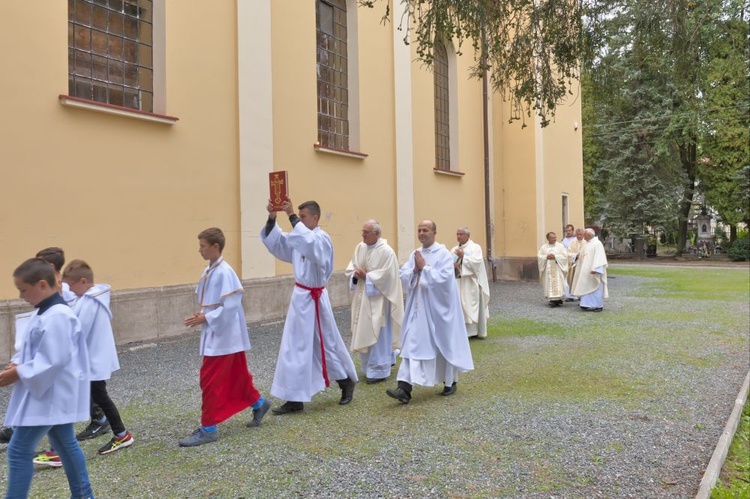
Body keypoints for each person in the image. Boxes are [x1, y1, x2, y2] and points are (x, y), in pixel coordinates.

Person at [0, 258, 93, 498]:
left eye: (23, 289)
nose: (21, 295)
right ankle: (84, 495)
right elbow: (40, 350)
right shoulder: (48, 312)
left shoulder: (58, 316)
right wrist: (19, 362)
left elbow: (54, 359)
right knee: (64, 443)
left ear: (42, 285)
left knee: (18, 450)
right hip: (49, 393)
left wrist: (17, 373)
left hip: (50, 393)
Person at [261, 199, 357, 414]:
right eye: (300, 217)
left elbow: (311, 247)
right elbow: (278, 244)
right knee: (294, 347)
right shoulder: (299, 236)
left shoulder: (322, 239)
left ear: (315, 218)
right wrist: (272, 217)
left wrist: (292, 215)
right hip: (300, 298)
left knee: (326, 343)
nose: (300, 221)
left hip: (316, 299)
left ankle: (345, 381)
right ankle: (294, 398)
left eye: (304, 217)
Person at [179, 228, 270, 447]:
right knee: (238, 376)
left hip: (224, 337)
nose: (199, 250)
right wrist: (204, 316)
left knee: (209, 381)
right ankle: (259, 403)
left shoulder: (224, 272)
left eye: (202, 246)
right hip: (222, 334)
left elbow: (230, 307)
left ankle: (208, 428)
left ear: (215, 246)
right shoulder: (211, 269)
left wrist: (206, 317)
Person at [386, 220, 474, 404]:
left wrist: (424, 268)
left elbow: (444, 279)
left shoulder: (443, 254)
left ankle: (450, 381)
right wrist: (415, 269)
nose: (422, 233)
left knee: (443, 345)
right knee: (411, 344)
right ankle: (404, 388)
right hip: (418, 309)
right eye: (419, 230)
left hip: (437, 309)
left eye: (425, 230)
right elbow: (404, 275)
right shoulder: (415, 254)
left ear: (434, 232)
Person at [62, 260, 134, 455]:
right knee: (98, 397)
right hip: (91, 360)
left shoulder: (89, 301)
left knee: (99, 397)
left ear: (83, 281)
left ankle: (121, 434)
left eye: (71, 285)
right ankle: (119, 433)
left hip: (92, 361)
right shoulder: (90, 298)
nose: (69, 290)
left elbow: (77, 331)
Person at [344, 220, 404, 384]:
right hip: (362, 298)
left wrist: (368, 277)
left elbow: (390, 277)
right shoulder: (360, 247)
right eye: (362, 231)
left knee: (379, 332)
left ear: (377, 233)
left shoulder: (387, 252)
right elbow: (351, 267)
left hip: (379, 300)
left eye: (366, 232)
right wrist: (355, 276)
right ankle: (368, 367)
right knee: (364, 329)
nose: (363, 235)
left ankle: (379, 370)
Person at [450, 227, 490, 339]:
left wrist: (464, 257)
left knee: (470, 305)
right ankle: (460, 330)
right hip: (458, 282)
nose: (458, 236)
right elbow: (449, 261)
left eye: (461, 234)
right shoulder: (454, 249)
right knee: (459, 305)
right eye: (457, 234)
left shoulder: (475, 247)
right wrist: (453, 265)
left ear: (468, 236)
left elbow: (477, 263)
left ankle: (473, 331)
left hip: (471, 282)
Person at [571, 228, 609, 312]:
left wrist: (597, 269)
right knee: (585, 286)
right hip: (585, 270)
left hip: (593, 271)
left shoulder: (597, 244)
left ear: (589, 235)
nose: (583, 236)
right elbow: (582, 255)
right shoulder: (587, 244)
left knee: (595, 288)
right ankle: (585, 304)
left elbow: (600, 257)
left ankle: (598, 305)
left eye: (584, 235)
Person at [537, 232, 569, 307]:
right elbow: (539, 256)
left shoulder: (560, 246)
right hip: (548, 269)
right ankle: (552, 300)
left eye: (555, 237)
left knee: (559, 283)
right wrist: (546, 256)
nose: (554, 239)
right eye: (552, 238)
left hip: (557, 268)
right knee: (549, 283)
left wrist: (555, 256)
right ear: (548, 239)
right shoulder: (544, 247)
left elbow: (564, 256)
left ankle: (559, 299)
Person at [565, 228, 586, 302]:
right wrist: (575, 256)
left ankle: (581, 295)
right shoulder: (572, 243)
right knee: (572, 279)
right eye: (577, 234)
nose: (579, 236)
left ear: (584, 235)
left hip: (583, 265)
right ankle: (572, 295)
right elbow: (568, 253)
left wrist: (582, 256)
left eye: (581, 234)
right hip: (574, 264)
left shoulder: (586, 243)